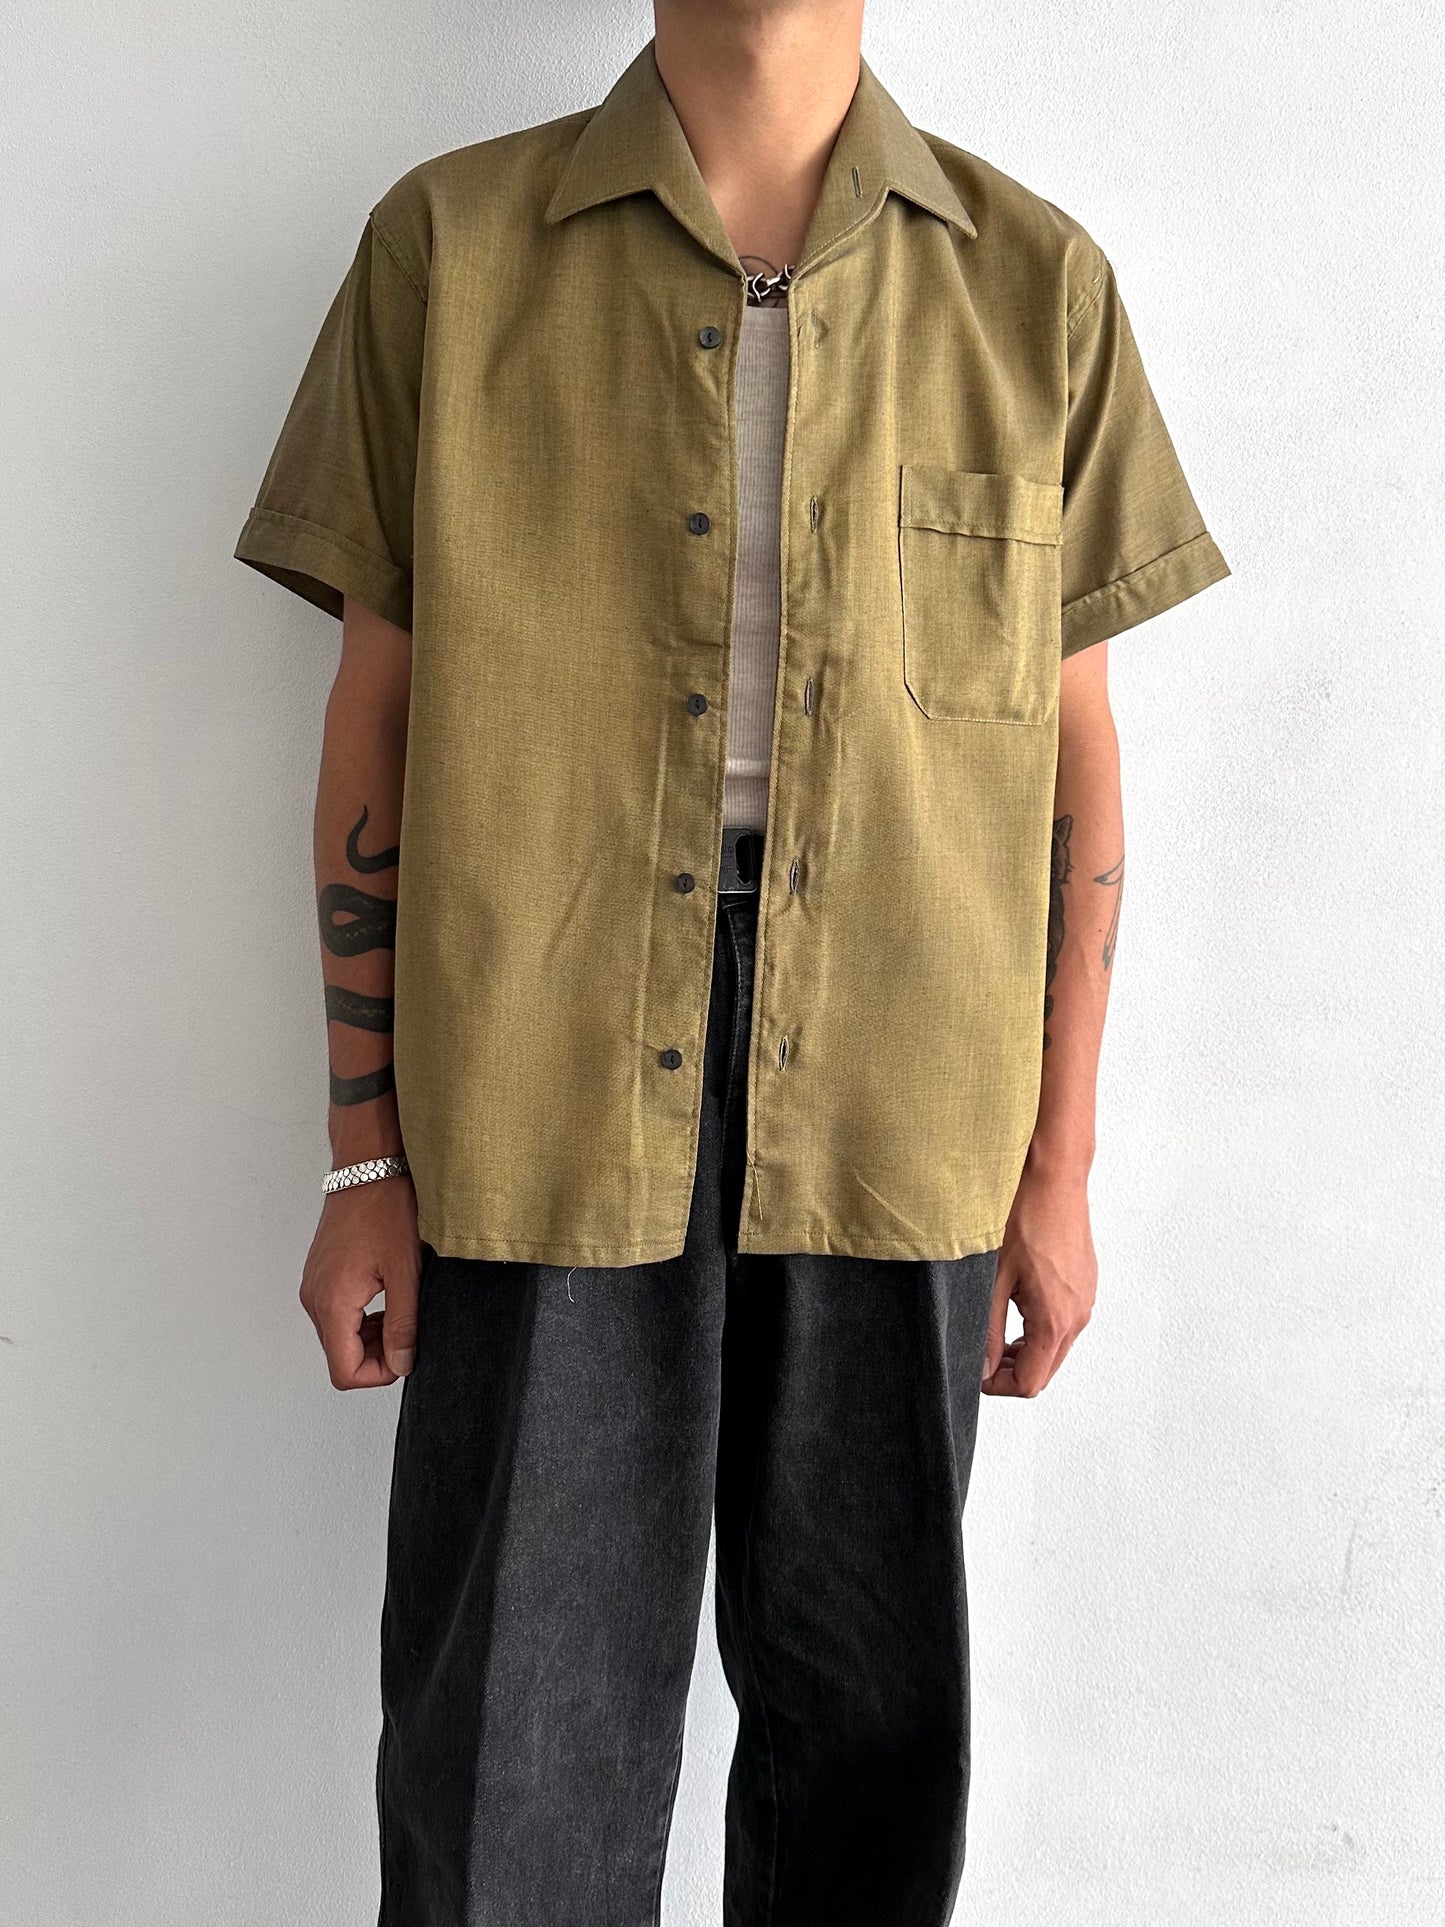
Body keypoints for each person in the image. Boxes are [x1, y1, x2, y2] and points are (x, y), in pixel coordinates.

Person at [233, 2, 1229, 1920]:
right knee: (509, 1754)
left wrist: (1060, 1170)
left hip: (904, 1089)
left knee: (868, 1748)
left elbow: (1075, 762)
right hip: (537, 1067)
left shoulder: (1032, 285)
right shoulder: (449, 248)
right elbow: (375, 721)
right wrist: (364, 1160)